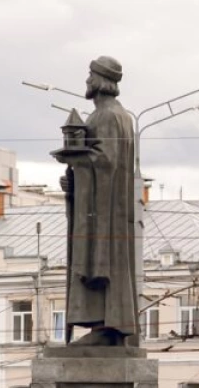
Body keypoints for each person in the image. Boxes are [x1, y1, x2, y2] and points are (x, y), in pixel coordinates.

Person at [52, 55, 138, 347]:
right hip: (109, 208)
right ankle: (105, 326)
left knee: (102, 264)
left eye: (90, 75)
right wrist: (74, 184)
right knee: (108, 265)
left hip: (103, 213)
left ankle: (106, 327)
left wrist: (77, 165)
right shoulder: (122, 116)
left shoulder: (106, 116)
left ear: (101, 81)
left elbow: (105, 162)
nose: (87, 81)